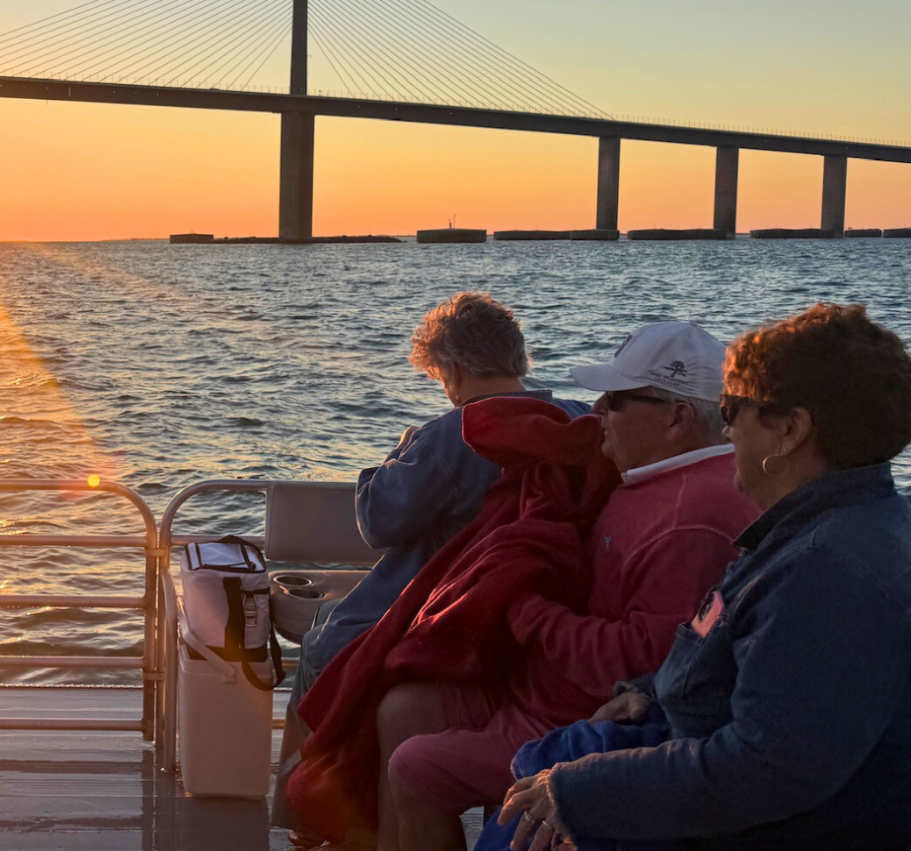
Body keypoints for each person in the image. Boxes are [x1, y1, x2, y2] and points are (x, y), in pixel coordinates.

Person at [497, 304, 911, 851]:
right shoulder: (841, 527)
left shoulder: (825, 573)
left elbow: (767, 769)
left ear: (790, 429)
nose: (727, 425)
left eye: (734, 407)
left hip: (768, 830)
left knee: (533, 812)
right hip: (711, 772)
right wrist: (648, 693)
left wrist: (584, 791)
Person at [375, 321, 758, 851]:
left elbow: (638, 663)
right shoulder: (647, 478)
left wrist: (524, 610)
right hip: (537, 689)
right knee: (399, 708)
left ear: (679, 419)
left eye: (617, 400)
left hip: (576, 717)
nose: (597, 409)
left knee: (415, 768)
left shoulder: (689, 518)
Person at [273, 293, 589, 830]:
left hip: (440, 617)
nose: (442, 387)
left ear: (456, 369)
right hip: (525, 630)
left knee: (320, 650)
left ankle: (302, 822)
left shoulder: (451, 436)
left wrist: (397, 455)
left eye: (439, 373)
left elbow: (379, 523)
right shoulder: (576, 421)